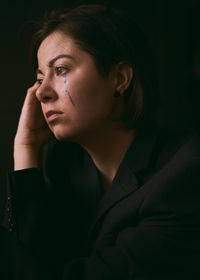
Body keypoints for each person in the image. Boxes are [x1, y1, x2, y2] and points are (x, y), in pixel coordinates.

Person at [1, 3, 200, 280]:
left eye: (60, 70)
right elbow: (35, 260)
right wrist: (25, 150)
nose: (41, 92)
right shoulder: (62, 163)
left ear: (119, 78)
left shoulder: (187, 173)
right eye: (39, 77)